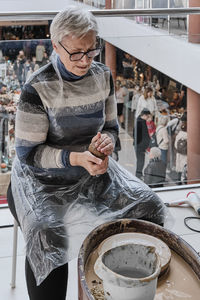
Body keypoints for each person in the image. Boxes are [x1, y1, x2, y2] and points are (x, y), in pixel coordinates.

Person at [7, 7, 166, 300]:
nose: (85, 60)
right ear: (55, 46)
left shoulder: (102, 75)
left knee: (150, 207)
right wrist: (76, 158)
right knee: (48, 236)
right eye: (76, 53)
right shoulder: (37, 88)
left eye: (91, 50)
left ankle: (118, 282)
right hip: (42, 179)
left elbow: (111, 128)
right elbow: (28, 155)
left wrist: (105, 144)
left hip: (92, 168)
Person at [134, 108, 151, 179]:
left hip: (139, 145)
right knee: (141, 161)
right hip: (140, 146)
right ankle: (138, 175)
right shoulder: (140, 122)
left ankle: (139, 174)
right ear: (144, 115)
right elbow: (141, 135)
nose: (148, 118)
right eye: (147, 116)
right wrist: (144, 145)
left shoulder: (139, 121)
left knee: (140, 160)